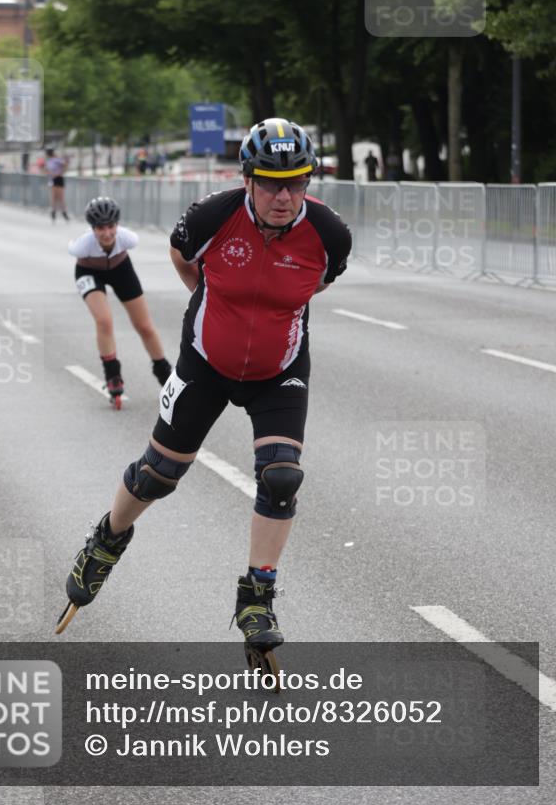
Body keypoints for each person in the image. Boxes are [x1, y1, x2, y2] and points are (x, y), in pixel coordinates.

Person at [56, 118, 352, 673]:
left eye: (296, 183)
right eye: (271, 183)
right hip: (206, 364)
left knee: (281, 476)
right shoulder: (211, 217)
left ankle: (257, 599)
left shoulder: (329, 234)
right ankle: (106, 539)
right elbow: (182, 257)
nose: (284, 196)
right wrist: (216, 299)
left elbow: (319, 283)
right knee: (158, 474)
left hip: (280, 370)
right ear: (247, 180)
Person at [69, 196, 173, 405]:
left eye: (111, 226)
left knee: (144, 326)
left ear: (117, 225)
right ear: (92, 229)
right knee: (104, 321)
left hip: (120, 269)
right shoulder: (81, 246)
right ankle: (112, 375)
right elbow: (71, 248)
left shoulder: (129, 239)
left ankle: (166, 375)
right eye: (100, 228)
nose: (107, 233)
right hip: (89, 272)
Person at [45, 148, 69, 221]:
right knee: (54, 197)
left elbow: (65, 165)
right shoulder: (49, 161)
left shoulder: (56, 160)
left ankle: (63, 212)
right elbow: (48, 171)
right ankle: (54, 211)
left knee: (60, 197)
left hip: (58, 178)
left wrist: (60, 173)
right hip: (52, 179)